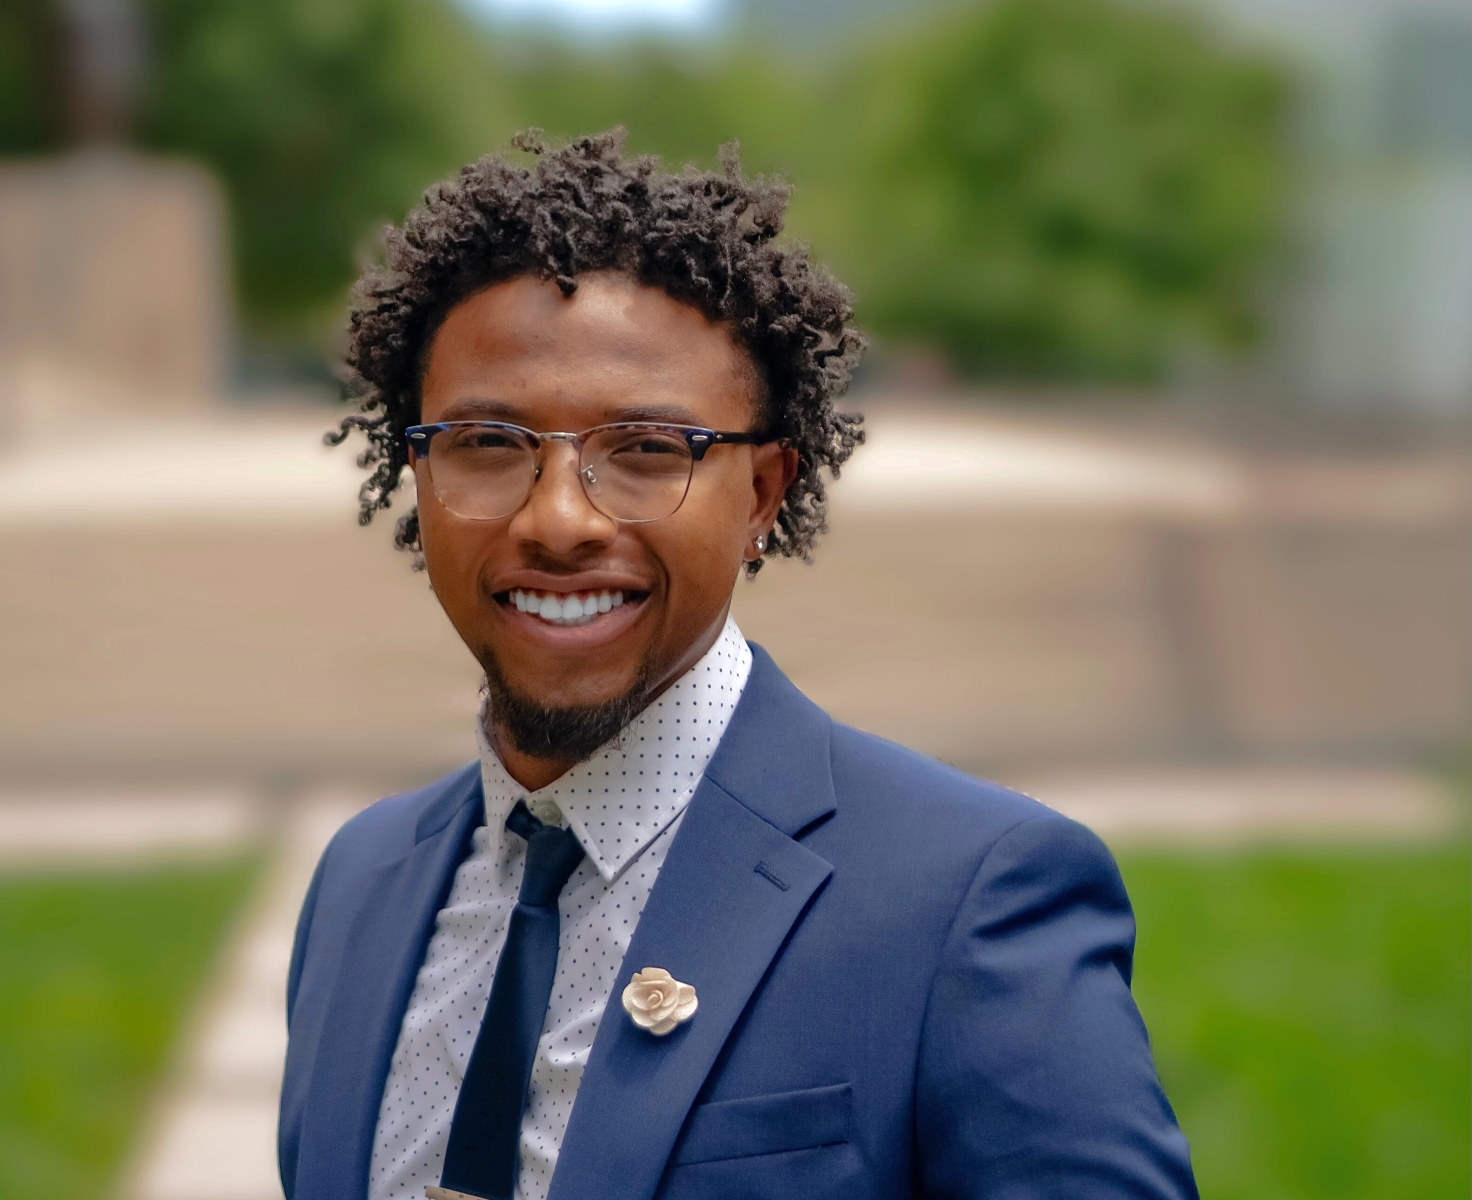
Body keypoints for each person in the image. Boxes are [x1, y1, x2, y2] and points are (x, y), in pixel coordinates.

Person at [279, 129, 1197, 1200]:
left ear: (762, 494)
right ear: (419, 481)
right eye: (487, 444)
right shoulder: (362, 885)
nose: (560, 521)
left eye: (647, 452)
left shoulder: (966, 900)